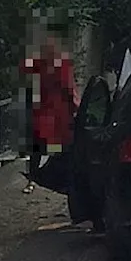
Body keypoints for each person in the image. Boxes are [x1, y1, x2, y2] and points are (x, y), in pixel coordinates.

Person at [20, 17, 78, 193]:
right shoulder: (60, 58)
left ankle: (33, 178)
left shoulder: (37, 56)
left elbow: (25, 71)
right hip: (58, 110)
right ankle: (58, 178)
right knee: (60, 146)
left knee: (38, 146)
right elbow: (68, 84)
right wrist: (76, 105)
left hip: (42, 107)